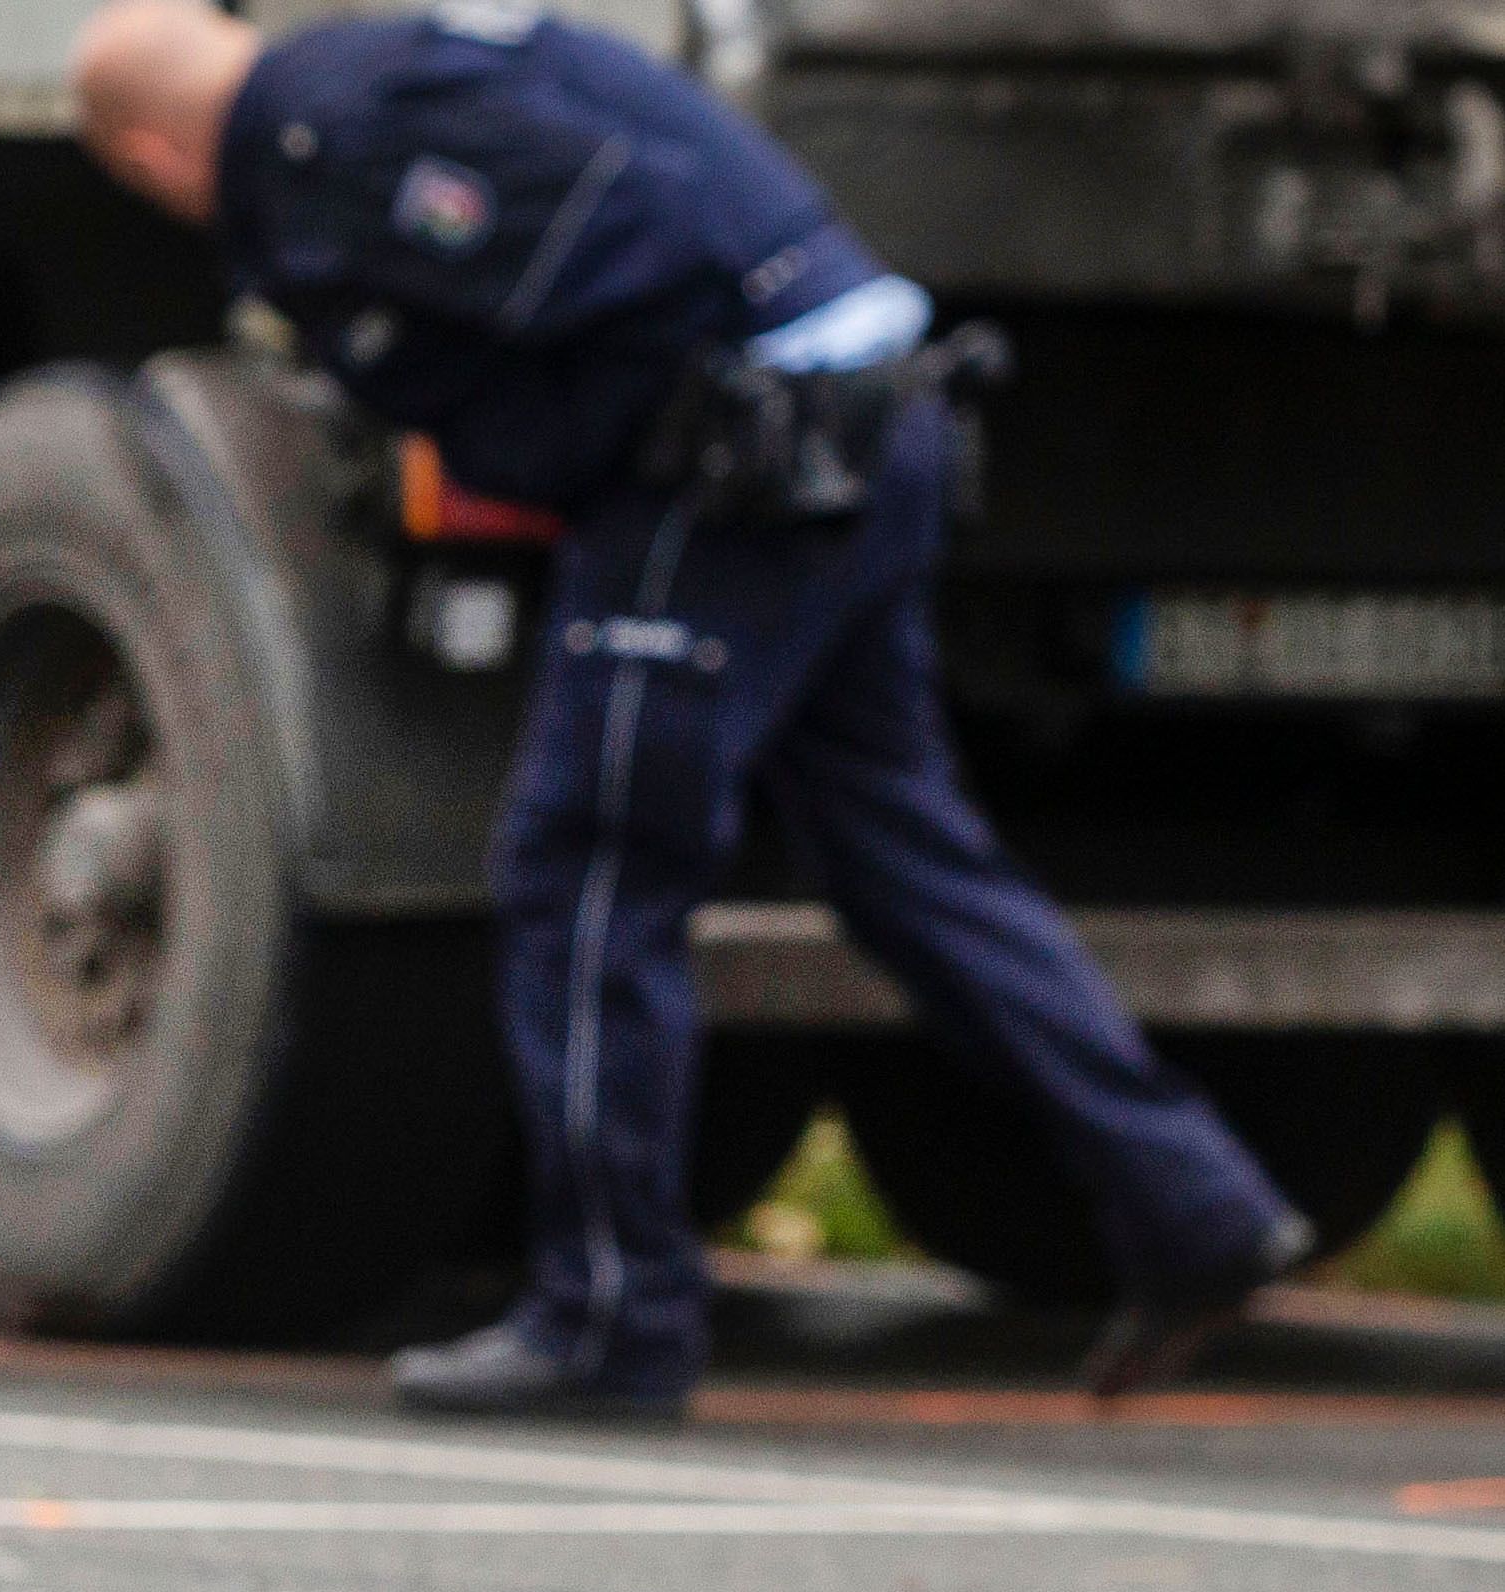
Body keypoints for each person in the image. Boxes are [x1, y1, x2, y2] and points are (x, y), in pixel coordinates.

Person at [67, 0, 1314, 1414]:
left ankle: (610, 1312)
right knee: (904, 859)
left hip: (735, 469)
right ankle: (1189, 1199)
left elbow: (624, 252)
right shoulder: (395, 61)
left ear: (157, 147)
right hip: (863, 430)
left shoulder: (328, 138)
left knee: (584, 870)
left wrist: (581, 434)